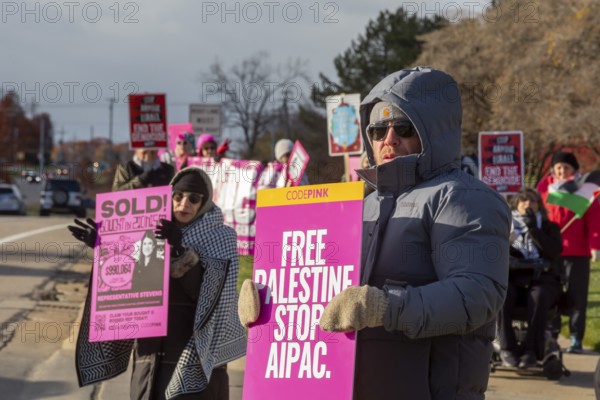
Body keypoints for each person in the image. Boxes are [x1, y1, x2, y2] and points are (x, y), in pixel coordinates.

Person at [238, 67, 511, 399]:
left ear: (435, 132)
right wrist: (267, 307)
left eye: (405, 128)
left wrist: (386, 307)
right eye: (378, 129)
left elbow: (477, 295)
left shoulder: (465, 197)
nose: (389, 139)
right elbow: (320, 293)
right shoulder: (361, 205)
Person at [70, 166, 246, 399]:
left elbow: (208, 296)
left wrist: (179, 250)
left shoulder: (220, 237)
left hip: (194, 356)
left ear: (204, 202)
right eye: (178, 196)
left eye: (194, 199)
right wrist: (105, 248)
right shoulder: (146, 228)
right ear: (169, 196)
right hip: (149, 354)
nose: (184, 204)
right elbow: (125, 281)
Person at [537, 151, 600, 353]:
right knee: (552, 292)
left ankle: (575, 337)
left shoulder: (584, 191)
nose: (562, 171)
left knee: (577, 296)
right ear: (553, 170)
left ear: (574, 170)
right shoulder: (545, 188)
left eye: (566, 168)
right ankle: (552, 333)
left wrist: (595, 245)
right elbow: (537, 215)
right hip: (551, 251)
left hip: (577, 253)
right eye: (558, 168)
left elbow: (594, 220)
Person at [498, 188, 563, 369]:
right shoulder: (506, 228)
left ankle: (531, 351)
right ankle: (507, 348)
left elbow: (553, 252)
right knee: (501, 295)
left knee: (538, 297)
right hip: (514, 279)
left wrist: (534, 229)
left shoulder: (550, 228)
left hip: (542, 280)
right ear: (516, 205)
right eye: (523, 201)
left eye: (533, 201)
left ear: (539, 206)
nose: (528, 204)